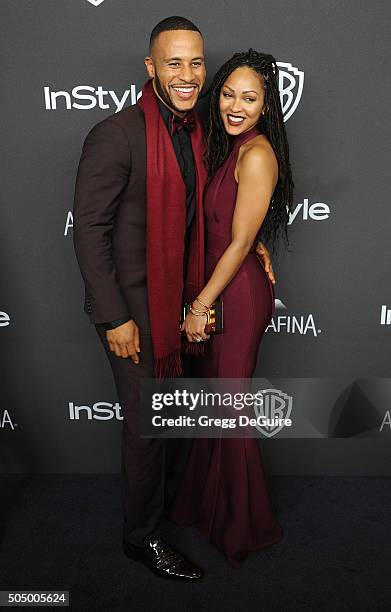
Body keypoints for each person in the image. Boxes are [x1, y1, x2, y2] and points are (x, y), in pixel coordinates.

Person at [73, 16, 275, 581]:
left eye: (195, 63)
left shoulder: (197, 131)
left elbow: (219, 207)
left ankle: (174, 506)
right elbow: (89, 232)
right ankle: (141, 539)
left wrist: (252, 243)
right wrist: (114, 316)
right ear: (150, 68)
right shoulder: (117, 134)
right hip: (132, 311)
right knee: (145, 428)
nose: (187, 75)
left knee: (171, 420)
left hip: (179, 301)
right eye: (173, 63)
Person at [170, 50, 294, 568]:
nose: (235, 106)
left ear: (266, 107)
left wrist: (199, 304)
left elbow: (241, 241)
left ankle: (244, 527)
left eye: (249, 98)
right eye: (228, 94)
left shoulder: (257, 153)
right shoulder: (226, 146)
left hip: (233, 299)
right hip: (219, 288)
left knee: (231, 409)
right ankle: (205, 506)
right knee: (214, 408)